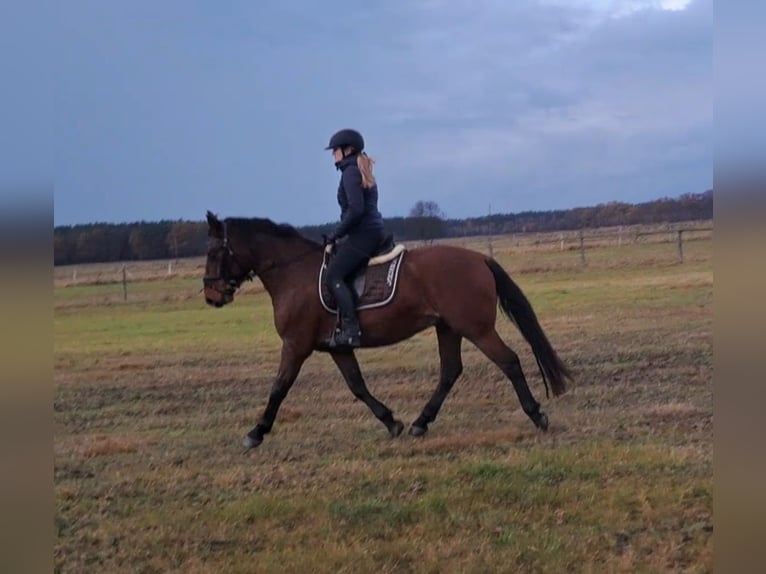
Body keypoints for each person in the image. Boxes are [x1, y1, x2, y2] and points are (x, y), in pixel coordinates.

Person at [323, 128, 386, 348]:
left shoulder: (350, 172)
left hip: (363, 234)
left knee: (333, 276)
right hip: (371, 230)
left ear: (347, 150)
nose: (333, 155)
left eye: (335, 150)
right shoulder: (357, 167)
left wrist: (335, 234)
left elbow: (356, 210)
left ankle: (351, 330)